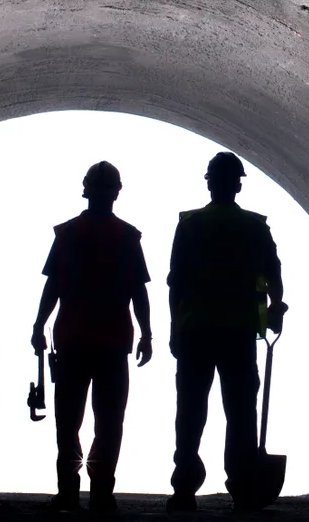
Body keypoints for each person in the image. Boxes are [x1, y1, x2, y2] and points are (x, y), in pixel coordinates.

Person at [165, 151, 288, 513]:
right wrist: (276, 310)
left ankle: (184, 489)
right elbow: (274, 273)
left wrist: (174, 328)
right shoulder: (254, 226)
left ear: (209, 182)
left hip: (195, 333)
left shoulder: (189, 225)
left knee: (190, 411)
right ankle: (242, 487)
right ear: (236, 184)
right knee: (240, 412)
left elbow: (176, 283)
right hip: (238, 333)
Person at [31, 161, 153, 516]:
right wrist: (146, 333)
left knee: (68, 421)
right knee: (109, 421)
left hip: (73, 340)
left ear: (86, 189)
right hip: (112, 343)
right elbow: (138, 292)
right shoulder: (127, 237)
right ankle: (101, 493)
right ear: (116, 192)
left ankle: (68, 493)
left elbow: (52, 285)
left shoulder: (68, 234)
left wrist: (39, 325)